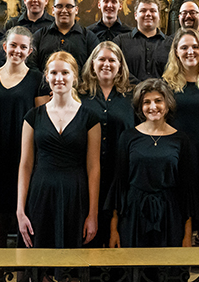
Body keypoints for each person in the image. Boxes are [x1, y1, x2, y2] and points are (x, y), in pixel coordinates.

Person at [0, 26, 50, 250]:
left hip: (25, 160)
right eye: (13, 45)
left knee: (25, 228)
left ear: (30, 51)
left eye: (23, 47)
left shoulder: (38, 79)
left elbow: (42, 121)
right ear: (5, 46)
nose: (17, 50)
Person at [17, 51, 101, 248]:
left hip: (76, 195)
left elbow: (93, 168)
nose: (59, 78)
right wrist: (20, 211)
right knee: (40, 264)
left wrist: (93, 214)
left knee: (73, 266)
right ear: (47, 76)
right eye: (54, 73)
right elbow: (25, 165)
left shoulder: (90, 118)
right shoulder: (33, 116)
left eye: (65, 73)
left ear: (75, 77)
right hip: (41, 194)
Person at [109, 78, 194, 247]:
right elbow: (119, 184)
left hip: (170, 216)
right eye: (146, 102)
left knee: (168, 271)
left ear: (167, 104)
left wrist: (187, 235)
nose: (153, 107)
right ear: (140, 107)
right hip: (133, 215)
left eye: (158, 101)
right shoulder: (128, 137)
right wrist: (114, 230)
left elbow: (186, 190)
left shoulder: (181, 139)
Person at [162, 28, 199, 244]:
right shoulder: (166, 83)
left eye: (195, 47)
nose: (190, 51)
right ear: (176, 52)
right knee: (181, 205)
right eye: (184, 47)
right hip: (178, 154)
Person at [78, 42, 135, 247]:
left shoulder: (132, 97)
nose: (106, 64)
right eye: (102, 59)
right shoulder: (78, 95)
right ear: (93, 63)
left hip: (120, 173)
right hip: (85, 172)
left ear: (120, 65)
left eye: (112, 60)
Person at [28, 0, 100, 72]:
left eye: (69, 6)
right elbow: (31, 65)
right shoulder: (39, 36)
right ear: (53, 10)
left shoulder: (89, 38)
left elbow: (95, 67)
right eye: (59, 6)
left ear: (76, 10)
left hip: (79, 85)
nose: (64, 10)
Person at [113, 0, 173, 82]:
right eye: (143, 11)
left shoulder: (171, 44)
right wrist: (139, 87)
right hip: (129, 93)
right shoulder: (120, 42)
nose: (148, 14)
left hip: (162, 93)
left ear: (159, 15)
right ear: (135, 15)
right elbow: (115, 69)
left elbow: (175, 73)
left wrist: (156, 89)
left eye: (153, 11)